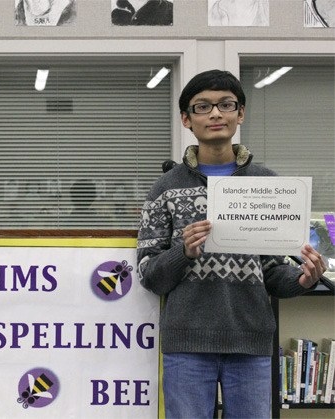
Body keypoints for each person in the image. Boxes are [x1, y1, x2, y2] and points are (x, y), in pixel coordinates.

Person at [136, 69, 327, 418]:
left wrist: (303, 279)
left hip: (251, 341)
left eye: (226, 104)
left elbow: (272, 271)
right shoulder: (165, 187)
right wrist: (184, 252)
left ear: (240, 114)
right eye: (202, 106)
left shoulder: (267, 184)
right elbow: (149, 274)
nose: (215, 114)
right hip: (187, 343)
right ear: (186, 119)